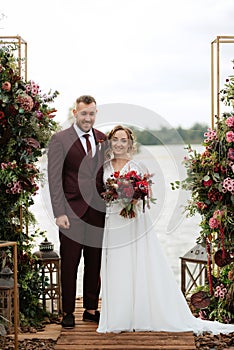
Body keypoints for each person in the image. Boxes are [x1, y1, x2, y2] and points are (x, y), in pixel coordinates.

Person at [97, 125, 234, 335]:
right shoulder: (104, 167)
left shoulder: (137, 166)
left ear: (130, 144)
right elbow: (101, 192)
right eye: (115, 139)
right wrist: (114, 193)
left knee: (137, 264)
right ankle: (118, 318)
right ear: (110, 142)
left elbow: (145, 195)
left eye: (123, 140)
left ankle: (140, 313)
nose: (119, 144)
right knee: (115, 265)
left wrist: (131, 195)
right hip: (113, 221)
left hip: (133, 221)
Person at [47, 95, 107, 328]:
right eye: (84, 114)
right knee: (70, 263)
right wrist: (58, 212)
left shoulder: (102, 139)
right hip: (70, 212)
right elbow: (54, 179)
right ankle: (68, 312)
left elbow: (105, 173)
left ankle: (91, 309)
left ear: (95, 113)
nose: (88, 118)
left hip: (97, 212)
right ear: (75, 113)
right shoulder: (60, 140)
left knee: (94, 263)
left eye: (92, 113)